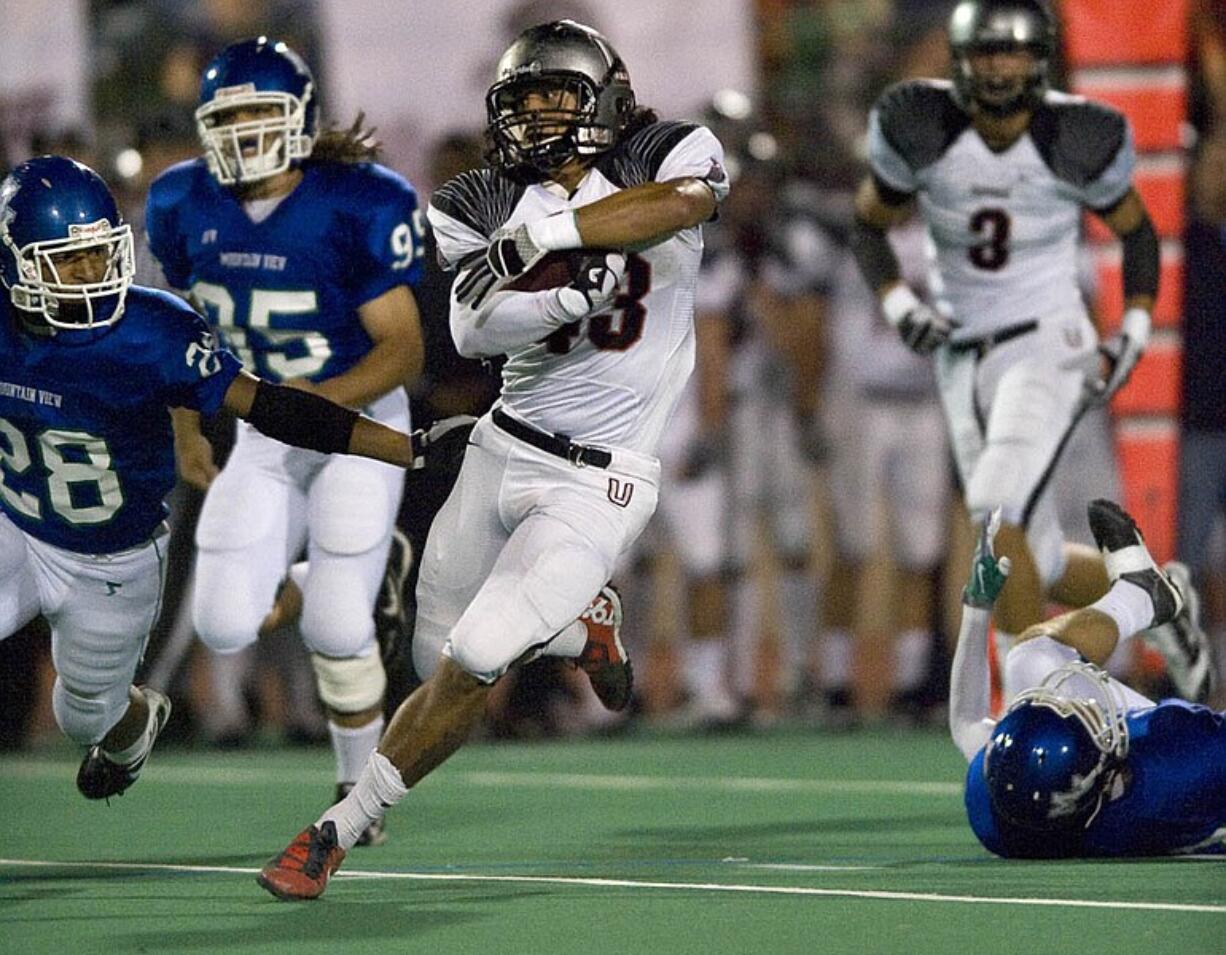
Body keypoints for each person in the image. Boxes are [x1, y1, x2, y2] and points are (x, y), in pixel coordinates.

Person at [257, 18, 729, 900]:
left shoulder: (664, 151)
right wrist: (557, 297)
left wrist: (549, 243)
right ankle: (582, 620)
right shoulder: (475, 197)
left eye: (558, 95)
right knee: (434, 649)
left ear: (606, 101)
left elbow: (682, 205)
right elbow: (476, 327)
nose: (538, 116)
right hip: (502, 445)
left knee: (475, 653)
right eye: (524, 100)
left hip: (601, 477)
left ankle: (334, 831)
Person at [0, 156, 420, 800]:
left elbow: (275, 409)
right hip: (16, 525)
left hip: (112, 559)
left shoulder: (155, 329)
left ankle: (133, 722)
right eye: (65, 260)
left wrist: (403, 448)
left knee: (83, 714)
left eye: (96, 254)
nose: (89, 274)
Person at [144, 37, 426, 846]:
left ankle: (354, 787)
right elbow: (183, 332)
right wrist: (186, 423)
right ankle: (344, 571)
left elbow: (403, 351)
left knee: (339, 626)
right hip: (263, 431)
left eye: (261, 115)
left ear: (299, 118)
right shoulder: (180, 202)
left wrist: (314, 404)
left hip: (357, 423)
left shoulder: (360, 200)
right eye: (227, 119)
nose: (242, 135)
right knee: (225, 622)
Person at [850, 0, 1161, 650]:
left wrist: (1132, 328)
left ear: (1039, 59)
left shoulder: (1072, 135)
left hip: (1046, 340)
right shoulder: (922, 124)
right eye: (987, 52)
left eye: (1013, 53)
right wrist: (900, 304)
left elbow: (1136, 233)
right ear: (960, 60)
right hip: (962, 354)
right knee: (1033, 553)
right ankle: (1153, 599)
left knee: (996, 514)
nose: (999, 68)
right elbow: (870, 223)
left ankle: (1033, 686)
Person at [951, 501, 1225, 857]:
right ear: (1108, 775)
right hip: (1167, 769)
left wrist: (976, 610)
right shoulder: (1177, 764)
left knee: (1029, 659)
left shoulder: (1003, 813)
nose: (1066, 695)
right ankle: (1140, 597)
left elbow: (967, 722)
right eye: (1085, 713)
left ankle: (1141, 592)